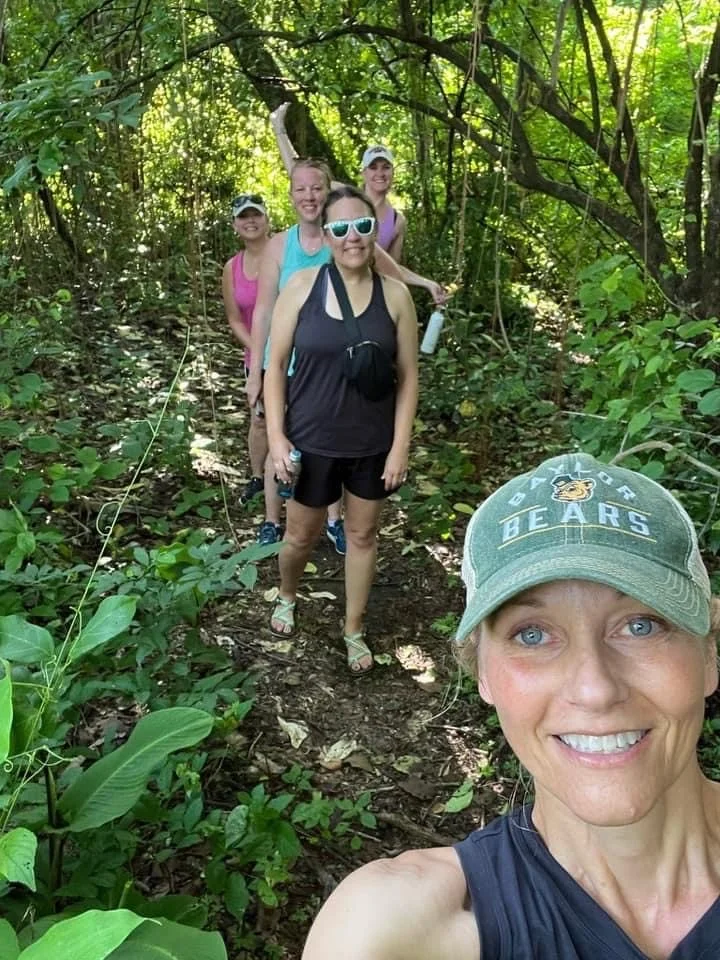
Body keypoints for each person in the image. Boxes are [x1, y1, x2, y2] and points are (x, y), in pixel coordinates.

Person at [301, 451, 720, 958]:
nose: (595, 689)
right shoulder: (397, 932)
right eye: (532, 634)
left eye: (640, 625)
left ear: (709, 653)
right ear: (482, 671)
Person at [247, 152, 445, 548]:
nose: (309, 195)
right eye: (300, 188)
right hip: (288, 363)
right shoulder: (280, 247)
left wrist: (425, 285)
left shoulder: (351, 235)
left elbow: (390, 273)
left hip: (336, 363)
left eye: (316, 188)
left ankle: (334, 520)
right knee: (279, 447)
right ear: (290, 194)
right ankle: (273, 522)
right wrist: (257, 369)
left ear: (327, 191)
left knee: (335, 443)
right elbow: (265, 309)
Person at [264, 185, 418, 675]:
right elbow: (275, 366)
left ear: (375, 231)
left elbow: (409, 377)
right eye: (341, 228)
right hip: (311, 440)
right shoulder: (301, 287)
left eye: (363, 225)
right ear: (327, 235)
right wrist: (276, 437)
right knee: (299, 536)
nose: (353, 236)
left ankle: (353, 628)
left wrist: (399, 448)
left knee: (362, 534)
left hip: (371, 443)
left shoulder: (395, 295)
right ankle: (287, 594)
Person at [270, 104, 406, 259]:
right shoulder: (343, 195)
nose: (380, 173)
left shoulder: (396, 221)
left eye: (386, 167)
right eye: (373, 167)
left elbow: (394, 267)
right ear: (363, 173)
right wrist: (279, 129)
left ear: (393, 172)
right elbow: (299, 173)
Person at [221, 193, 271, 505]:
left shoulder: (284, 253)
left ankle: (294, 478)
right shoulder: (232, 267)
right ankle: (257, 477)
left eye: (255, 214)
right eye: (243, 217)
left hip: (296, 351)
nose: (250, 221)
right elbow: (234, 319)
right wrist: (259, 348)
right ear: (234, 225)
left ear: (267, 219)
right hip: (256, 355)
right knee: (260, 419)